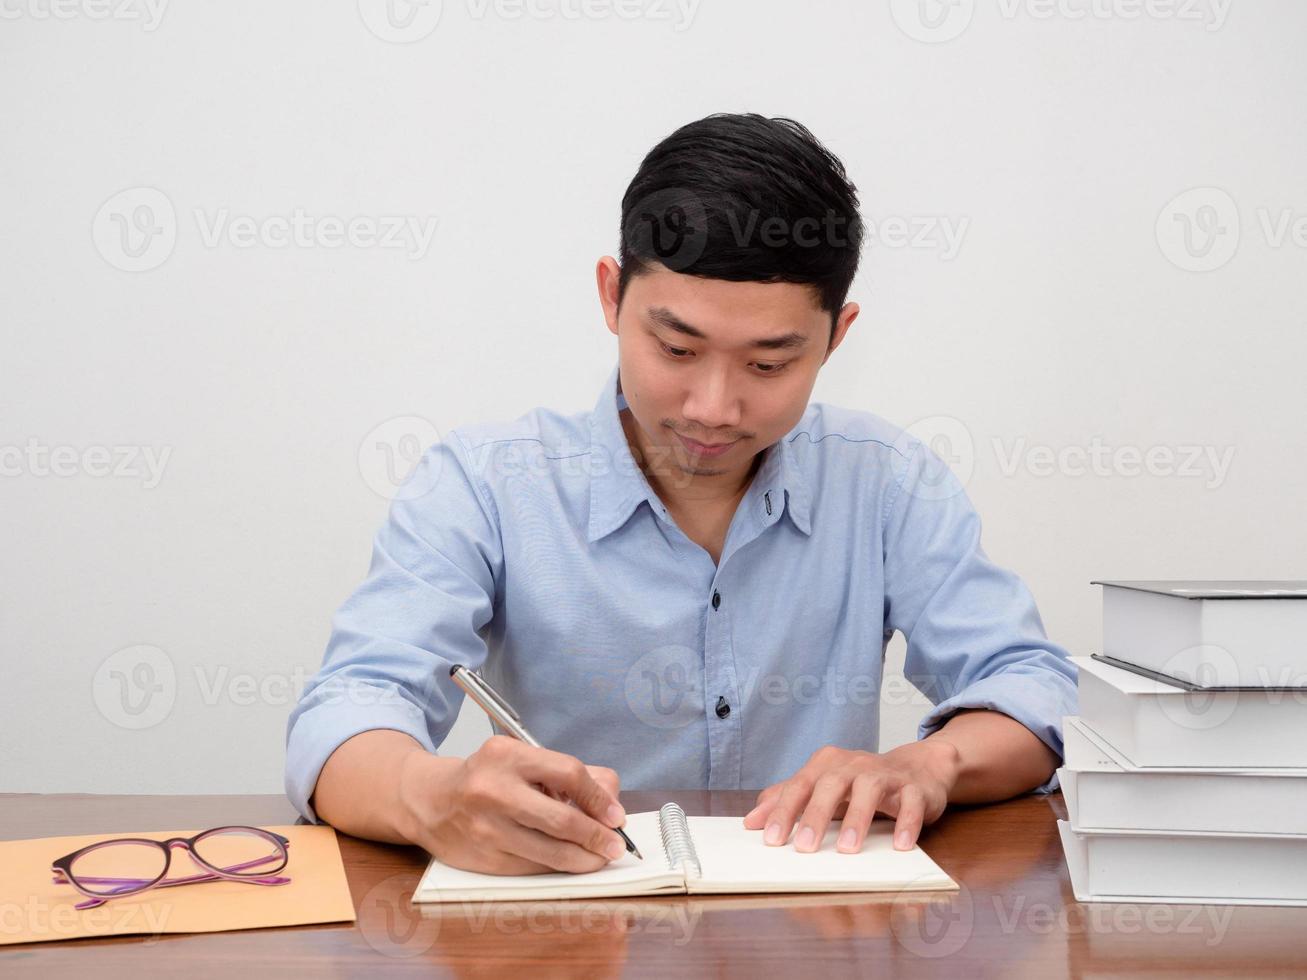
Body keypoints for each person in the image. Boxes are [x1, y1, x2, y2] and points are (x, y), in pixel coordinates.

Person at [284, 112, 1077, 876]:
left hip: (813, 930)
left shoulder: (886, 480)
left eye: (767, 365)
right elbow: (350, 707)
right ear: (610, 297)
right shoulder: (484, 483)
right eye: (675, 347)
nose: (712, 407)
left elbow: (1033, 688)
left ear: (836, 337)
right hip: (570, 931)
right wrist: (432, 797)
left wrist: (929, 763)